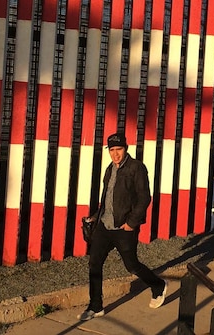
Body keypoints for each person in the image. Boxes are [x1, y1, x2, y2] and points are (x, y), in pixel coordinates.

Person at [78, 132, 168, 321]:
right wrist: (95, 217)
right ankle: (96, 306)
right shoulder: (109, 169)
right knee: (94, 263)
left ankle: (158, 285)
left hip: (124, 227)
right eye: (112, 150)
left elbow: (144, 198)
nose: (115, 154)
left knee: (131, 265)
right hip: (105, 225)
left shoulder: (137, 168)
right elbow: (107, 200)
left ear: (125, 149)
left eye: (119, 149)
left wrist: (131, 223)